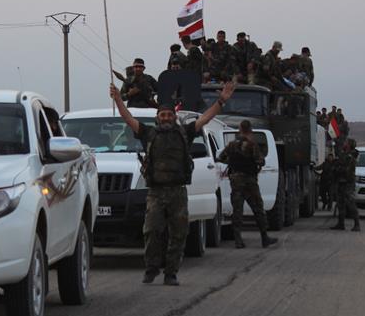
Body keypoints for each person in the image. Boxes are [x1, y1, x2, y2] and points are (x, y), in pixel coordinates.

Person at [110, 80, 236, 286]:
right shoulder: (148, 133)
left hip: (178, 192)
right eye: (162, 115)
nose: (166, 118)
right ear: (158, 118)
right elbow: (127, 118)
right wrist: (117, 99)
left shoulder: (184, 132)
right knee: (151, 231)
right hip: (156, 193)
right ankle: (151, 268)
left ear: (174, 117)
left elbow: (205, 118)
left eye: (169, 115)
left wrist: (221, 101)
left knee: (179, 234)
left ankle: (171, 272)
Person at [217, 120, 279, 249]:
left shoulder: (231, 145)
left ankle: (238, 240)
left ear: (240, 129)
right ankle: (264, 237)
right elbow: (261, 161)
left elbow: (221, 157)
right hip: (250, 181)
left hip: (236, 181)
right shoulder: (252, 145)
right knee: (258, 209)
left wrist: (232, 162)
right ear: (249, 130)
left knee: (237, 211)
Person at [332, 138, 361, 231]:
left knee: (350, 203)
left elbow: (345, 169)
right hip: (341, 181)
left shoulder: (350, 156)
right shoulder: (344, 154)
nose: (344, 144)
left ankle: (357, 224)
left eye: (346, 143)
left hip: (348, 182)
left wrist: (336, 169)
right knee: (340, 203)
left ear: (349, 145)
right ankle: (341, 224)